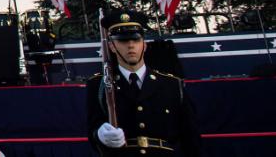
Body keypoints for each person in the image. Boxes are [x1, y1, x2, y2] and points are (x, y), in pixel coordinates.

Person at [85, 10, 201, 156]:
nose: (131, 45)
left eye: (136, 39)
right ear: (112, 47)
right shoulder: (99, 85)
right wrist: (99, 136)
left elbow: (190, 137)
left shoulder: (171, 84)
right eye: (123, 41)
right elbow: (93, 129)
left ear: (144, 45)